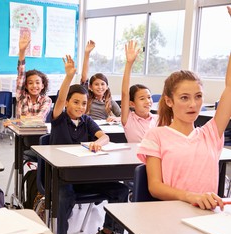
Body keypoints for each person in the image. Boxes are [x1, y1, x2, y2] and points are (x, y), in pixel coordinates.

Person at [137, 35, 231, 210]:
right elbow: (155, 187)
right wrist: (189, 197)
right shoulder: (156, 135)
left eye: (198, 96)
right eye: (184, 98)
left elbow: (230, 86)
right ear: (169, 101)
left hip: (206, 217)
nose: (193, 104)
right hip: (172, 216)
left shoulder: (210, 133)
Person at [50, 54, 129, 234]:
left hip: (86, 177)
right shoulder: (59, 119)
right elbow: (59, 99)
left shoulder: (86, 121)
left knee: (120, 191)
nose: (80, 107)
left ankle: (106, 233)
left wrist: (98, 142)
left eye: (83, 103)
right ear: (66, 103)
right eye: (75, 102)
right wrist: (69, 77)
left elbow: (105, 136)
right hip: (62, 179)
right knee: (65, 196)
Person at [120, 40, 158, 142]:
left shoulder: (157, 119)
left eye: (149, 97)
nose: (147, 101)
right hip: (134, 157)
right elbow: (124, 93)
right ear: (132, 103)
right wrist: (129, 63)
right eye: (142, 98)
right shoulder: (128, 119)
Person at [14, 34, 52, 121]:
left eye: (38, 82)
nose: (34, 86)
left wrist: (14, 121)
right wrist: (22, 51)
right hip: (22, 134)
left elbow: (39, 118)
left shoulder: (46, 100)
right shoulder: (21, 96)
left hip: (39, 133)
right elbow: (21, 73)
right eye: (30, 83)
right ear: (26, 86)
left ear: (43, 85)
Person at [80, 40, 121, 121]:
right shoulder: (87, 97)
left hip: (104, 129)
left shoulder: (110, 102)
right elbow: (84, 76)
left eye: (102, 84)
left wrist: (116, 119)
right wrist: (87, 54)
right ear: (90, 87)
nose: (100, 87)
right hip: (88, 128)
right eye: (96, 84)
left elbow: (124, 117)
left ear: (107, 87)